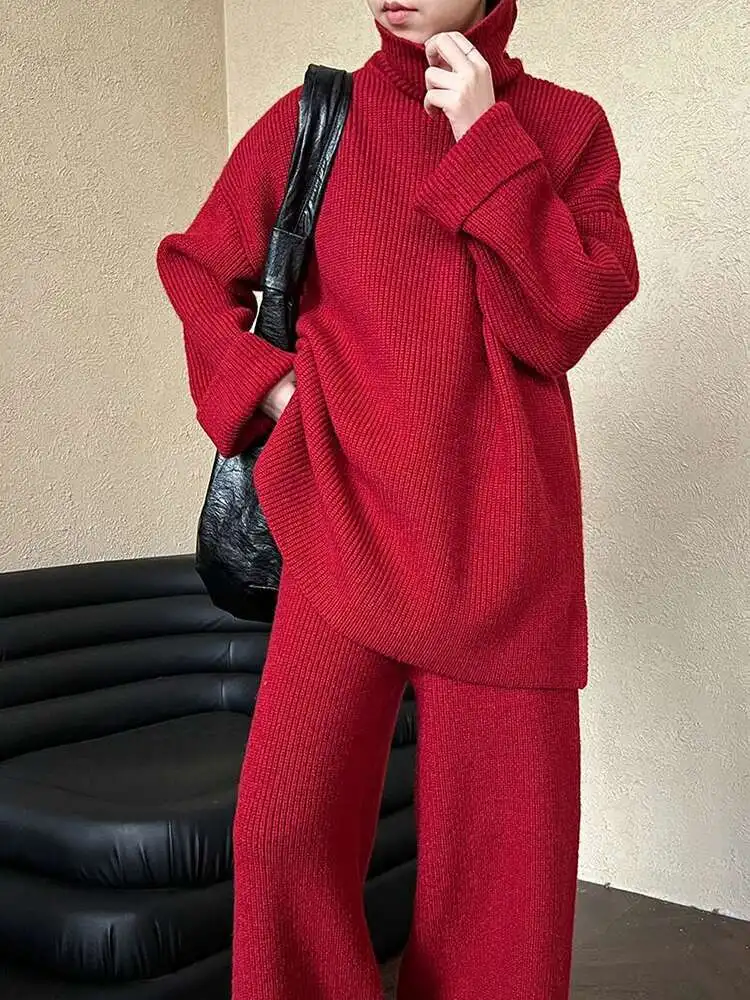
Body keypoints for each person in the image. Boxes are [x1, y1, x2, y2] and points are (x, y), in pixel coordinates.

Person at [156, 0, 639, 996]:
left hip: (505, 560)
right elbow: (198, 268)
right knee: (282, 839)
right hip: (341, 537)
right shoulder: (316, 118)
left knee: (502, 905)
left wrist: (483, 136)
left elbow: (561, 320)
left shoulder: (565, 128)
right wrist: (270, 391)